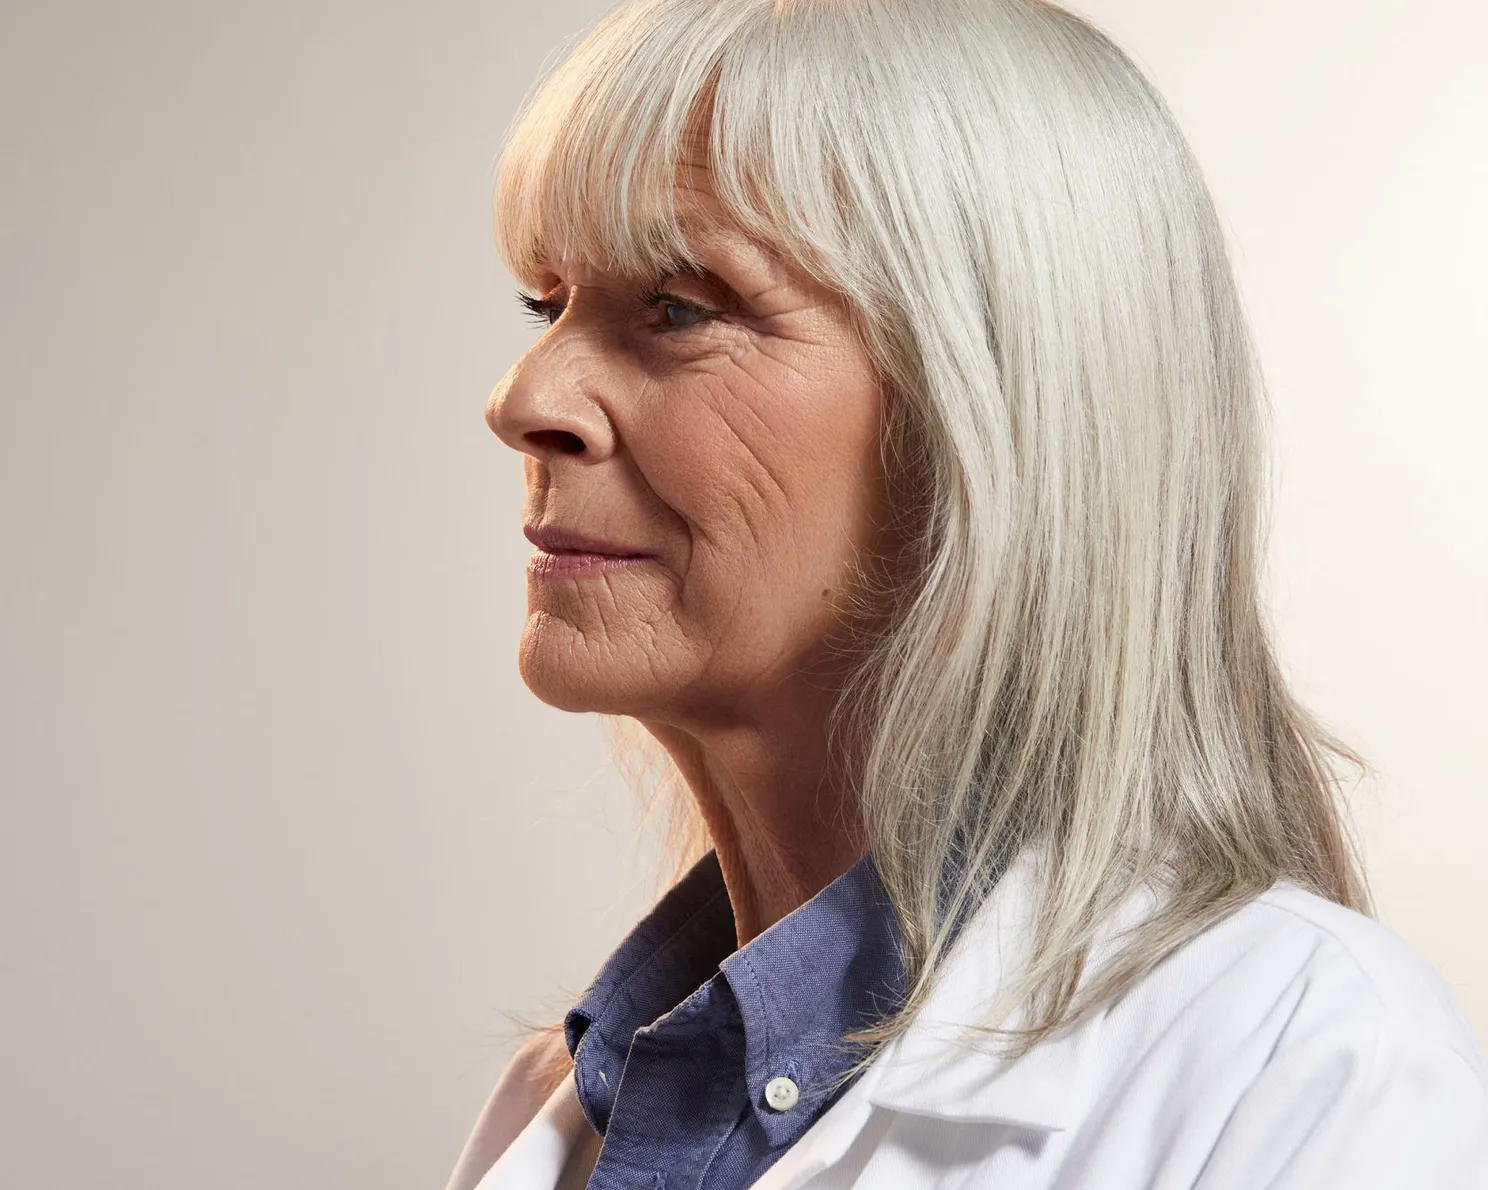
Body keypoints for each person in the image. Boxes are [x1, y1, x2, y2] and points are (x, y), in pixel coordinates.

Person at [445, 0, 1488, 1186]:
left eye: (681, 307)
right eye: (550, 303)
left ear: (993, 409)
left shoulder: (1308, 1066)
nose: (524, 396)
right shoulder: (569, 1102)